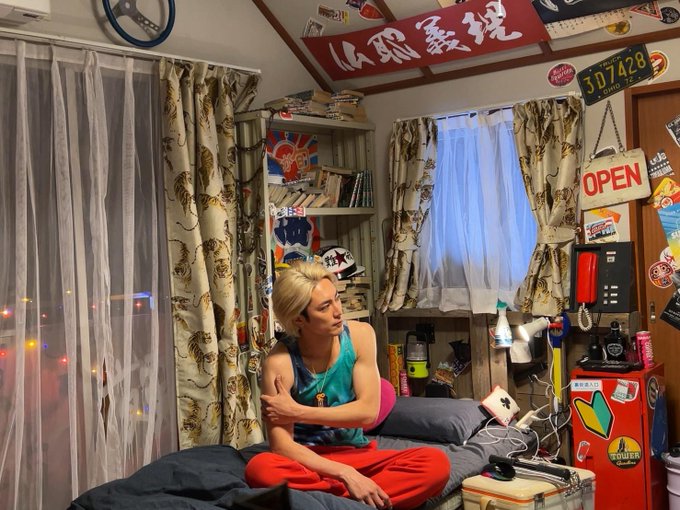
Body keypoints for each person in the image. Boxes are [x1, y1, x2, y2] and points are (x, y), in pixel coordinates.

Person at [245, 261, 450, 509]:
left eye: (337, 299)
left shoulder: (361, 336)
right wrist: (345, 474)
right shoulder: (279, 362)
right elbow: (281, 446)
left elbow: (367, 413)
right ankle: (356, 501)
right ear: (299, 319)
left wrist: (297, 412)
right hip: (306, 461)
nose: (338, 311)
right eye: (324, 307)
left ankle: (328, 502)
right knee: (260, 469)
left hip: (357, 455)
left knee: (436, 463)